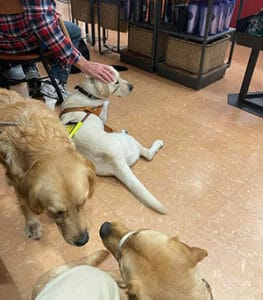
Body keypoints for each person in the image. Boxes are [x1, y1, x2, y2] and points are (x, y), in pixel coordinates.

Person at [0, 0, 115, 102]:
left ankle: (30, 69)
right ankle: (55, 83)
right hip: (25, 43)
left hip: (3, 45)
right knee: (74, 31)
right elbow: (42, 25)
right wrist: (83, 63)